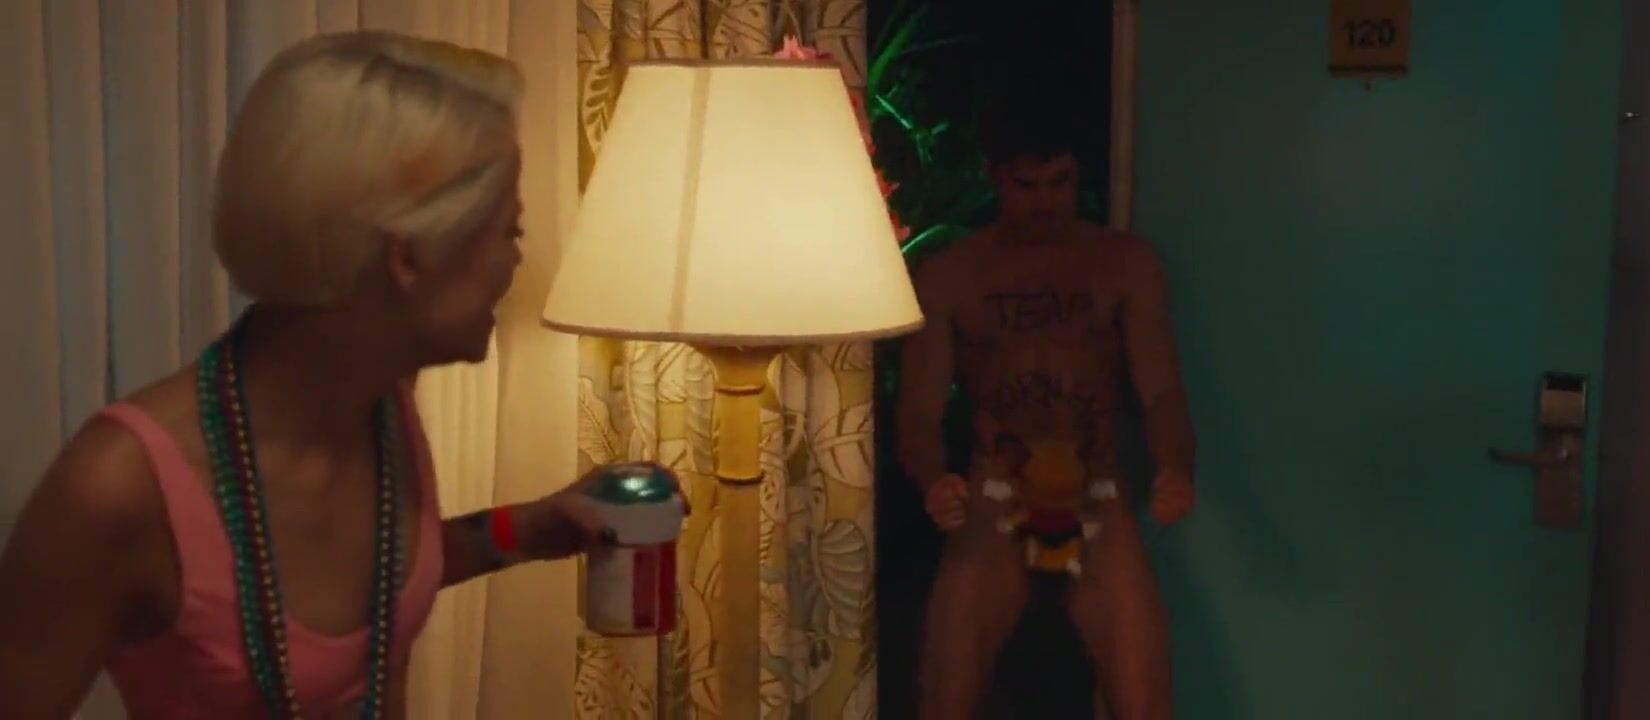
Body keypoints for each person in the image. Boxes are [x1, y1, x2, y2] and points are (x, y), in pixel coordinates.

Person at [0, 31, 645, 719]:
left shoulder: (382, 402)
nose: (518, 261)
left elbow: (372, 583)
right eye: (508, 230)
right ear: (408, 257)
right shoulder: (119, 485)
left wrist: (526, 531)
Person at [895, 109, 1196, 720]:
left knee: (1143, 701)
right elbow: (918, 411)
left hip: (1095, 490)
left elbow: (1161, 390)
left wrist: (1175, 466)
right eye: (1027, 185)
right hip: (997, 489)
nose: (1045, 202)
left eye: (1060, 182)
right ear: (996, 178)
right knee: (946, 696)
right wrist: (933, 482)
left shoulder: (1124, 264)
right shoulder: (952, 275)